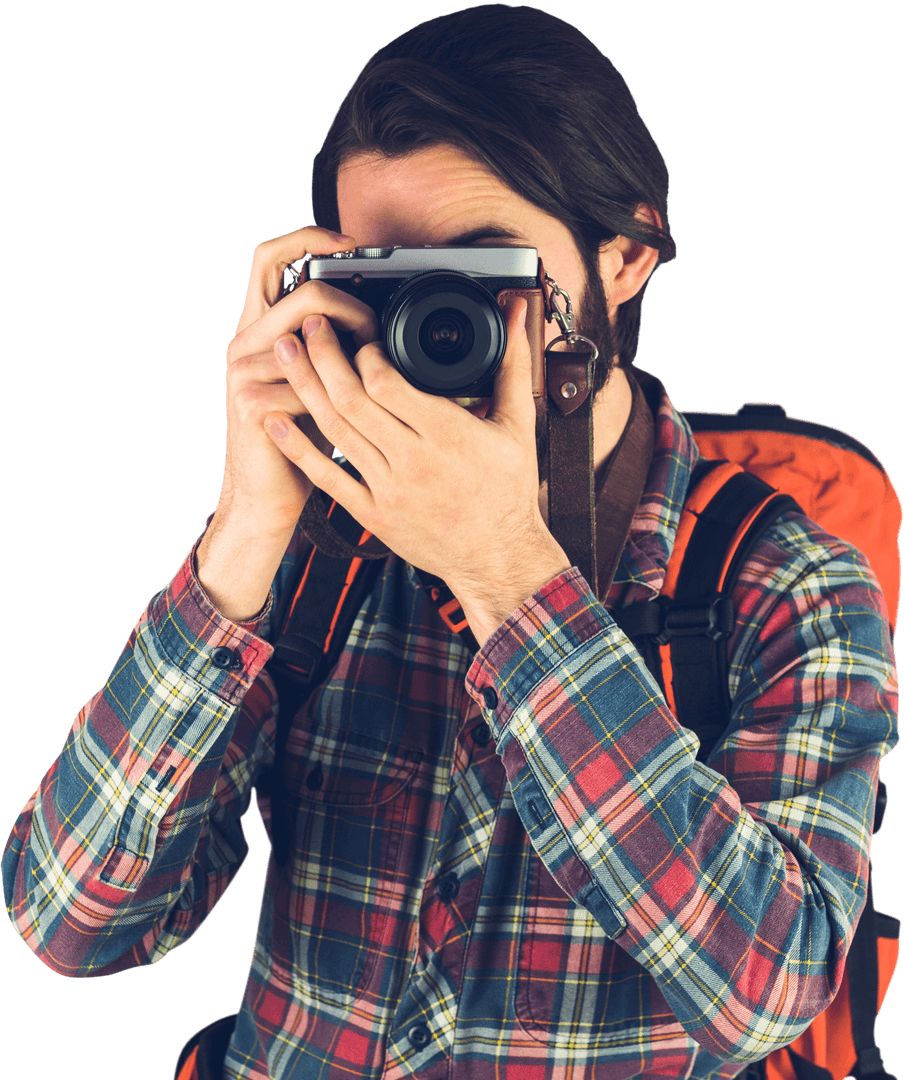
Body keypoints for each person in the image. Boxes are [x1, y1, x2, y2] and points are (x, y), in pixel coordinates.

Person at [2, 6, 897, 1079]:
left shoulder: (786, 581)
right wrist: (245, 527)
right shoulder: (313, 550)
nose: (435, 322)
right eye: (391, 280)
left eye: (482, 272)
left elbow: (768, 992)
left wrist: (507, 577)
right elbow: (70, 923)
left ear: (624, 257)